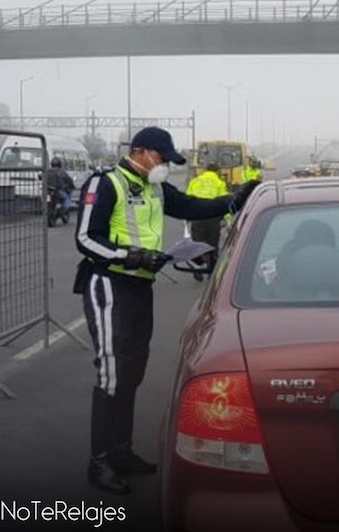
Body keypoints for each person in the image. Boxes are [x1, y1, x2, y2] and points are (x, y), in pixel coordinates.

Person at [73, 127, 259, 495]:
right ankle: (100, 463)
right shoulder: (107, 183)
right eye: (160, 158)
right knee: (113, 375)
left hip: (140, 287)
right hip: (109, 285)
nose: (163, 166)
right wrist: (132, 255)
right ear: (139, 152)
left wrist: (236, 200)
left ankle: (122, 453)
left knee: (132, 372)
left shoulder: (155, 187)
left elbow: (191, 206)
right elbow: (86, 238)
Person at [185, 163, 230, 281]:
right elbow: (224, 202)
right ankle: (212, 271)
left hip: (197, 216)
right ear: (217, 171)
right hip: (212, 217)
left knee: (197, 244)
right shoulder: (219, 183)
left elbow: (187, 199)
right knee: (212, 244)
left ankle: (197, 270)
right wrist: (228, 220)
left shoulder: (195, 181)